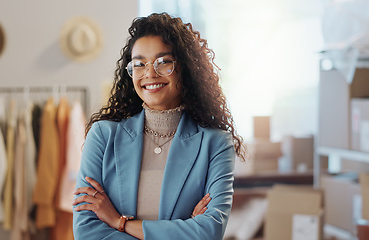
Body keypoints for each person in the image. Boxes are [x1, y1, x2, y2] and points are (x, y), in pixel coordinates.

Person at [72, 12, 245, 240]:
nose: (150, 73)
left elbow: (209, 232)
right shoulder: (103, 136)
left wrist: (119, 222)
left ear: (186, 67)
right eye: (139, 64)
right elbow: (86, 231)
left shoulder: (215, 143)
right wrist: (183, 230)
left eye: (164, 62)